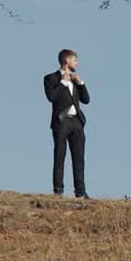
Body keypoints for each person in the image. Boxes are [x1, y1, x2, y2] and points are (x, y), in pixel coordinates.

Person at [43, 49, 91, 198]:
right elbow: (51, 97)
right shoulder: (50, 78)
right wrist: (63, 82)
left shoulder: (76, 80)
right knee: (60, 155)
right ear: (66, 61)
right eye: (75, 60)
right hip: (61, 121)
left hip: (76, 122)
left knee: (79, 157)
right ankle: (58, 191)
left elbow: (86, 100)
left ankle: (81, 192)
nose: (77, 63)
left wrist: (81, 83)